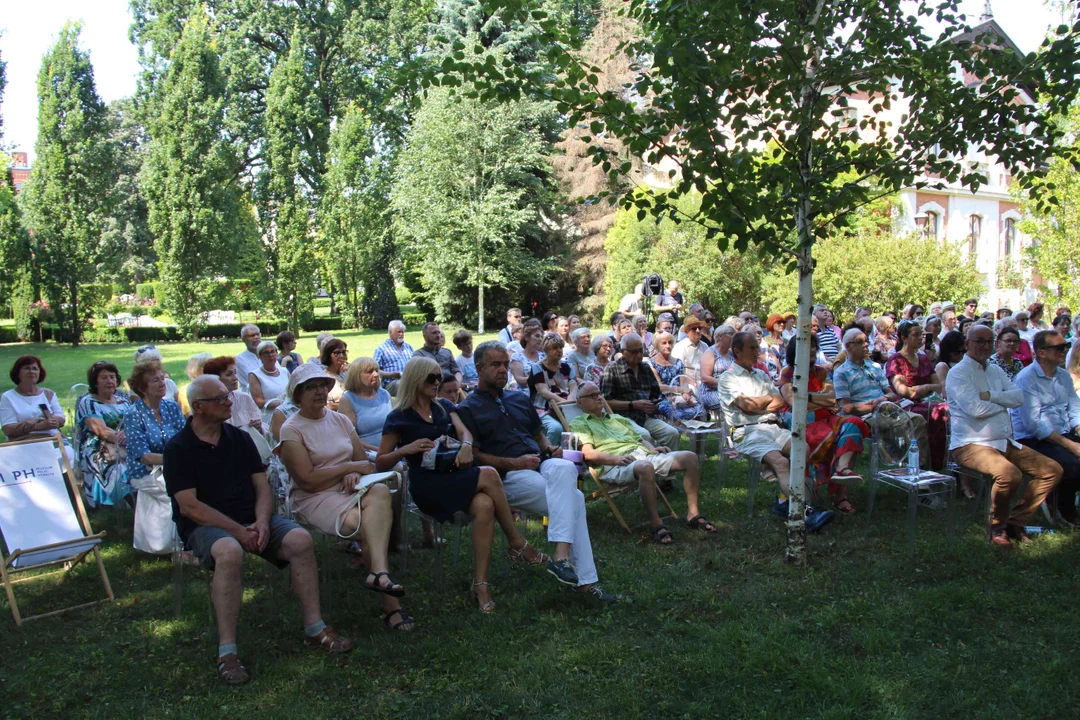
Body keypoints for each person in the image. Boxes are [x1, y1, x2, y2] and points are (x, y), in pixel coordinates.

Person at [166, 375, 353, 685]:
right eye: (221, 399)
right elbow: (190, 507)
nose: (230, 402)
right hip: (206, 525)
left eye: (228, 396)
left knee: (300, 539)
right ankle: (227, 652)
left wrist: (263, 522)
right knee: (229, 551)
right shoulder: (179, 448)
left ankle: (314, 628)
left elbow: (262, 486)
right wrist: (239, 533)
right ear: (198, 407)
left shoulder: (240, 438)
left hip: (252, 519)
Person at [377, 357, 556, 613]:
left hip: (453, 474)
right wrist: (405, 449)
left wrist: (466, 446)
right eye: (431, 378)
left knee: (484, 504)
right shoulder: (398, 417)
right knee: (491, 475)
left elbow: (465, 432)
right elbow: (381, 463)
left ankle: (481, 585)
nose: (437, 382)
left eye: (439, 377)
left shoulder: (443, 406)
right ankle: (517, 543)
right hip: (427, 485)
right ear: (415, 379)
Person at [458, 343, 612, 601]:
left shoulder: (518, 398)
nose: (502, 370)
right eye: (495, 365)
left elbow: (537, 432)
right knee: (573, 500)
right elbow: (474, 455)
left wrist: (549, 448)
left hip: (540, 462)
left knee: (565, 467)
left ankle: (561, 557)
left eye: (505, 364)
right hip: (506, 476)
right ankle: (586, 582)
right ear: (479, 368)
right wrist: (514, 463)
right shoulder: (468, 408)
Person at [277, 364, 413, 629]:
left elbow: (364, 464)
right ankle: (390, 603)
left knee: (381, 490)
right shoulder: (291, 430)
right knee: (371, 525)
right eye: (310, 387)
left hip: (349, 489)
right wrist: (347, 469)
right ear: (297, 395)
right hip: (313, 497)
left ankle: (378, 572)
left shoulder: (339, 419)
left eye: (322, 386)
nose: (319, 391)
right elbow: (307, 479)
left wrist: (354, 472)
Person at [947, 326, 1062, 546]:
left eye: (989, 341)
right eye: (979, 341)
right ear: (966, 344)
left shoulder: (996, 370)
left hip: (1004, 441)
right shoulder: (958, 373)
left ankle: (1016, 521)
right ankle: (997, 526)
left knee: (1051, 470)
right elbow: (975, 409)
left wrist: (989, 396)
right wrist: (1002, 405)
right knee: (1009, 474)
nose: (985, 346)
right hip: (970, 444)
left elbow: (1018, 398)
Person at [716, 332, 835, 532]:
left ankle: (783, 502)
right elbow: (747, 406)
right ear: (737, 351)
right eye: (752, 348)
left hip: (773, 426)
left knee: (802, 449)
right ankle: (803, 511)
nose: (758, 352)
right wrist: (764, 401)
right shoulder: (728, 378)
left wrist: (758, 403)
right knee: (781, 462)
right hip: (746, 431)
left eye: (758, 347)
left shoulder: (760, 374)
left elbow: (779, 401)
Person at [571, 382, 710, 544]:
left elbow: (640, 439)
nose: (599, 397)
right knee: (646, 467)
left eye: (599, 393)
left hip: (642, 456)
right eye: (592, 395)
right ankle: (656, 523)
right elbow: (588, 453)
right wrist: (616, 459)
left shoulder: (618, 419)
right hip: (614, 464)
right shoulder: (580, 423)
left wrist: (653, 449)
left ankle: (693, 514)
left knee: (690, 457)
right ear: (580, 403)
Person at [778, 336, 868, 513]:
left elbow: (832, 399)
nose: (812, 349)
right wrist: (820, 399)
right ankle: (814, 493)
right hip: (801, 421)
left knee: (853, 424)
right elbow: (793, 402)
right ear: (796, 350)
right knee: (825, 436)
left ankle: (842, 472)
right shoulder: (788, 372)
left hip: (826, 417)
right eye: (807, 346)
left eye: (813, 346)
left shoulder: (822, 371)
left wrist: (805, 396)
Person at [1010, 330, 1080, 524]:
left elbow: (1074, 408)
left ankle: (1065, 499)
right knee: (1073, 465)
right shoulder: (1026, 379)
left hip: (1062, 433)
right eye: (1058, 348)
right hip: (1032, 439)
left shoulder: (1063, 376)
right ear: (1041, 352)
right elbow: (1033, 424)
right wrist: (1071, 445)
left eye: (1065, 346)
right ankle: (1061, 506)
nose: (1064, 351)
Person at [600, 333, 682, 450]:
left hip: (645, 416)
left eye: (640, 350)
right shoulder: (612, 369)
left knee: (672, 433)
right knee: (644, 435)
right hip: (622, 418)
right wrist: (633, 405)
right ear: (623, 352)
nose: (638, 355)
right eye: (634, 352)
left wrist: (653, 404)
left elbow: (655, 394)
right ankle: (647, 465)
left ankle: (668, 464)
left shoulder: (645, 368)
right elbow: (606, 402)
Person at [886, 320, 947, 469]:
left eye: (921, 334)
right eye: (916, 334)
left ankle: (942, 462)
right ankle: (923, 464)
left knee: (946, 409)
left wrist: (924, 387)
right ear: (904, 338)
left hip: (928, 400)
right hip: (905, 405)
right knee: (934, 411)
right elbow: (903, 391)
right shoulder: (896, 361)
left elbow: (938, 386)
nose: (920, 338)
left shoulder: (924, 359)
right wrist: (917, 391)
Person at [72, 361, 131, 507]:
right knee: (122, 470)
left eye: (112, 377)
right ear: (95, 382)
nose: (110, 381)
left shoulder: (123, 400)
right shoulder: (88, 402)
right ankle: (136, 508)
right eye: (104, 378)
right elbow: (102, 431)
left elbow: (137, 423)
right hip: (99, 447)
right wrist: (129, 438)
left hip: (127, 441)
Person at [0, 355, 74, 467]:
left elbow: (61, 419)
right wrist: (37, 426)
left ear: (40, 373)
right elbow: (8, 429)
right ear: (17, 373)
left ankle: (66, 484)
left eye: (35, 368)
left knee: (68, 453)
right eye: (27, 368)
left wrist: (49, 421)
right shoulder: (8, 397)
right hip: (23, 442)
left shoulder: (48, 394)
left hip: (51, 439)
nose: (31, 371)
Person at [124, 361, 186, 494]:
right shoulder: (133, 414)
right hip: (145, 472)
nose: (162, 383)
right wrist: (178, 459)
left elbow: (186, 439)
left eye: (162, 378)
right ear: (142, 388)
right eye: (155, 380)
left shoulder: (172, 407)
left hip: (174, 466)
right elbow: (145, 456)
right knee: (180, 489)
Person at [528, 333, 578, 445]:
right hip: (542, 408)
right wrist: (564, 403)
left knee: (578, 426)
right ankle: (548, 454)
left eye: (560, 347)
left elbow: (573, 387)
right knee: (556, 429)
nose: (559, 350)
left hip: (566, 406)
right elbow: (544, 392)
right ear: (546, 350)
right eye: (555, 348)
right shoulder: (537, 367)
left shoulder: (567, 366)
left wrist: (568, 404)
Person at [338, 358, 394, 454]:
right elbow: (349, 437)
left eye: (376, 370)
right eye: (369, 372)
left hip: (393, 450)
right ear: (356, 376)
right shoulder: (347, 400)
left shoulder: (384, 394)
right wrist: (381, 451)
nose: (376, 374)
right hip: (367, 453)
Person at [647, 331, 702, 422]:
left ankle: (699, 434)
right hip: (660, 399)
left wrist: (685, 394)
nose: (668, 346)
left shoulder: (678, 362)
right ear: (657, 345)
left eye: (670, 342)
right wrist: (680, 390)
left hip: (679, 397)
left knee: (700, 410)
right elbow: (659, 387)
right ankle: (676, 434)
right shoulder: (651, 364)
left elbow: (683, 383)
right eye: (664, 343)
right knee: (676, 414)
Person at [248, 340, 289, 426]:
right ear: (259, 356)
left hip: (289, 413)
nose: (270, 355)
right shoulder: (255, 375)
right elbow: (259, 402)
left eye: (272, 351)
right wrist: (281, 403)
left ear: (277, 353)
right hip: (270, 418)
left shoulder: (284, 371)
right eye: (266, 353)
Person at [698, 324, 736, 412]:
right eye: (731, 333)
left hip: (730, 391)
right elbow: (705, 378)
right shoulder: (711, 353)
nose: (734, 336)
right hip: (710, 392)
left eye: (735, 334)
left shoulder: (731, 353)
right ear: (720, 336)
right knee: (736, 402)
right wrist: (728, 385)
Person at [413, 322, 463, 386]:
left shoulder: (447, 352)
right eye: (434, 333)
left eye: (439, 332)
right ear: (425, 336)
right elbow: (420, 378)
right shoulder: (419, 355)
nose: (438, 335)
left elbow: (456, 371)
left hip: (452, 387)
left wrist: (456, 384)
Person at [373, 320, 414, 394]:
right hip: (392, 382)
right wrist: (392, 374)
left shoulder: (409, 347)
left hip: (410, 379)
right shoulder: (381, 349)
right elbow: (375, 371)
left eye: (402, 332)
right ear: (390, 332)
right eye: (398, 332)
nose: (401, 334)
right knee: (404, 385)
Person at [671, 318, 709, 382]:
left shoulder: (705, 346)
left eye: (699, 328)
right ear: (687, 332)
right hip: (687, 384)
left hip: (704, 382)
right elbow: (677, 370)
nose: (698, 331)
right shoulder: (679, 347)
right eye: (694, 328)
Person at [509, 324, 546, 389]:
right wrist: (540, 378)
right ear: (527, 337)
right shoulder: (517, 357)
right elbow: (520, 380)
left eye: (541, 337)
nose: (540, 339)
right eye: (537, 336)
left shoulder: (543, 355)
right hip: (525, 395)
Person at [934, 330, 967, 396]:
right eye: (956, 353)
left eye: (964, 351)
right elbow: (944, 393)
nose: (961, 355)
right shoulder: (942, 366)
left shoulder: (966, 363)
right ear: (947, 352)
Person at [320, 339, 349, 410]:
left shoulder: (348, 373)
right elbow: (326, 406)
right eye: (337, 353)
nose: (341, 356)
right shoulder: (324, 378)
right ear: (328, 355)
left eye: (344, 352)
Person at [234, 325, 262, 392]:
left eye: (258, 334)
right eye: (252, 336)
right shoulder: (240, 359)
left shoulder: (268, 354)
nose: (256, 337)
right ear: (244, 339)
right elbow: (253, 381)